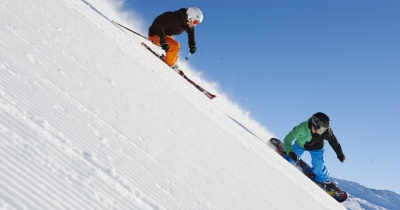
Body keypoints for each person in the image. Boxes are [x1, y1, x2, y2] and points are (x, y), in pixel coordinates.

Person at [283, 112, 346, 188]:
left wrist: (340, 154)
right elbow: (288, 138)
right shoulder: (302, 128)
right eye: (323, 128)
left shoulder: (326, 132)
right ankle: (288, 155)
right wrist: (290, 151)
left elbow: (334, 142)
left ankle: (323, 181)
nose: (324, 131)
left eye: (326, 129)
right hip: (300, 145)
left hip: (317, 148)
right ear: (315, 125)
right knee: (290, 160)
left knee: (318, 168)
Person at [148, 6, 203, 70]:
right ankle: (170, 63)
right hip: (155, 33)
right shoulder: (175, 19)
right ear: (190, 16)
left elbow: (191, 33)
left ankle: (172, 61)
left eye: (197, 23)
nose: (194, 25)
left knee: (174, 47)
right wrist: (163, 42)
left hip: (164, 34)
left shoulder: (187, 21)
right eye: (195, 22)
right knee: (175, 46)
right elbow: (159, 27)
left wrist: (192, 45)